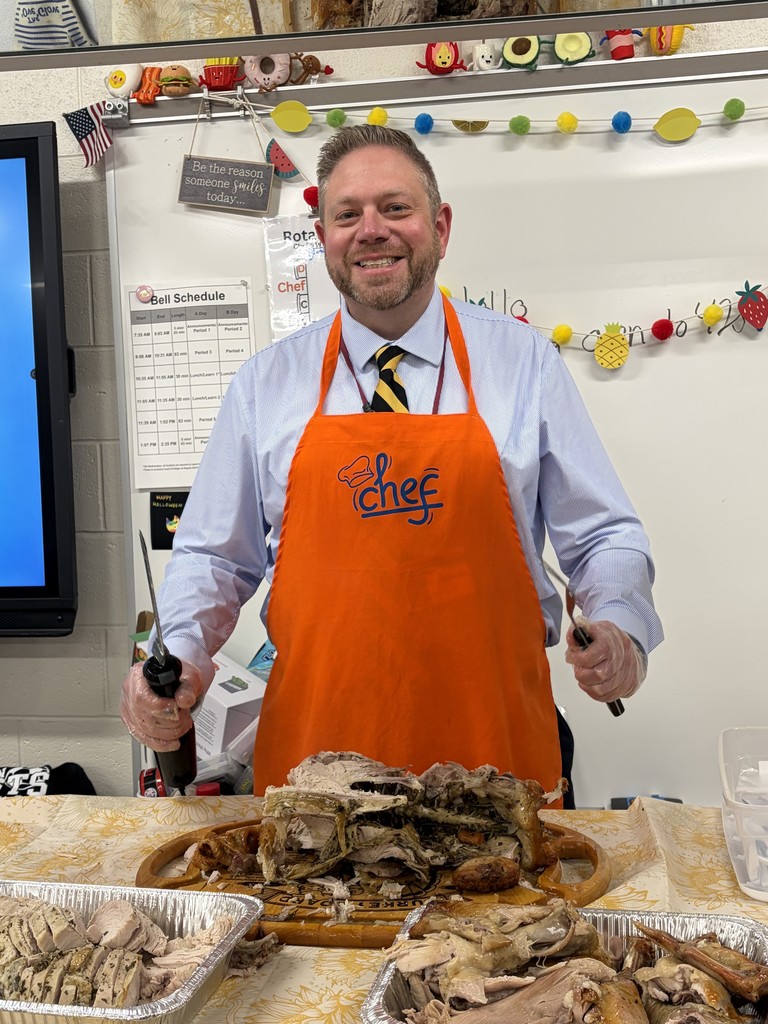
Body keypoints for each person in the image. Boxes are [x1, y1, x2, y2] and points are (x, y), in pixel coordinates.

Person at [121, 125, 663, 804]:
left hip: (495, 760)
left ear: (439, 225)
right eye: (347, 214)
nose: (371, 230)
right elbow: (212, 559)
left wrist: (619, 624)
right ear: (323, 236)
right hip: (317, 774)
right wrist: (183, 661)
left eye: (395, 208)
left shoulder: (525, 365)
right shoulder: (265, 386)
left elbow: (605, 535)